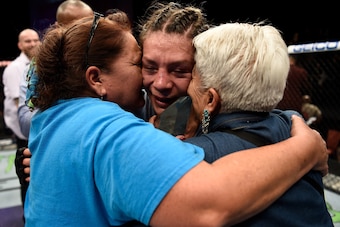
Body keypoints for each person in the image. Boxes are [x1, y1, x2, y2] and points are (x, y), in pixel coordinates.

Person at [23, 13, 328, 226]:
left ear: (207, 75)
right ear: (95, 78)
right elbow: (212, 204)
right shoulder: (113, 128)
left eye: (182, 70)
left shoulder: (61, 118)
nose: (160, 83)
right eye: (144, 65)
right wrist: (306, 148)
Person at [182, 22, 332, 226]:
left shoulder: (191, 158)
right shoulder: (297, 129)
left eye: (193, 76)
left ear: (211, 99)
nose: (188, 86)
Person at [18, 0, 93, 137]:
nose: (85, 30)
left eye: (90, 23)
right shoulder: (40, 63)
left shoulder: (100, 53)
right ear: (59, 27)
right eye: (77, 26)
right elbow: (27, 115)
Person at [2, 28, 40, 210]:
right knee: (27, 179)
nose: (32, 44)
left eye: (35, 40)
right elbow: (23, 105)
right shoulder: (14, 69)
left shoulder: (40, 63)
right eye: (27, 41)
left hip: (36, 131)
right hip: (24, 134)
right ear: (19, 45)